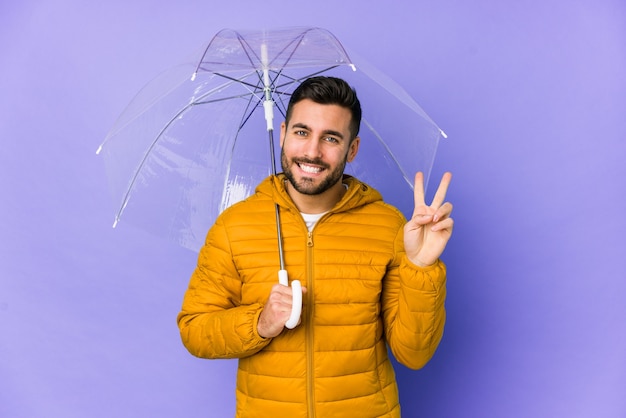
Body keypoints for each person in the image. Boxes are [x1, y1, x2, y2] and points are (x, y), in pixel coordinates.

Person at [177, 76, 453, 417]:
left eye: (331, 138)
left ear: (352, 149)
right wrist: (259, 323)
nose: (312, 151)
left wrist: (421, 268)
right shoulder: (234, 226)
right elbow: (194, 330)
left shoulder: (388, 226)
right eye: (302, 132)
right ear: (283, 134)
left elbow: (414, 354)